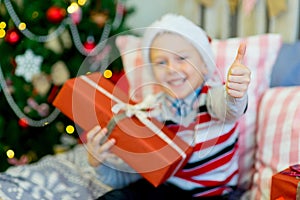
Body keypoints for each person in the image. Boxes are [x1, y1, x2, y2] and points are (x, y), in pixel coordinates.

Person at [87, 14, 251, 199]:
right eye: (161, 62)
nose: (171, 69)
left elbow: (231, 107)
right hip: (165, 190)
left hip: (213, 194)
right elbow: (130, 175)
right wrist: (99, 163)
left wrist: (236, 92)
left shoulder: (213, 98)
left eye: (181, 58)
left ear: (205, 66)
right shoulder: (150, 111)